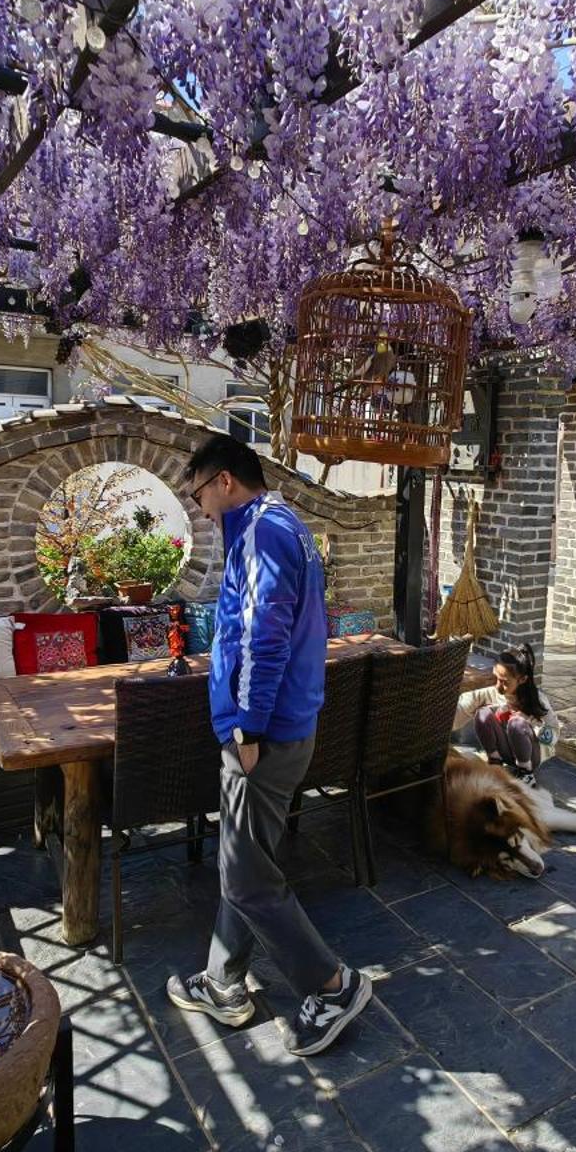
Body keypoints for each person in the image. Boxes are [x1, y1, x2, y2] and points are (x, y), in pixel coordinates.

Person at [166, 434, 369, 1058]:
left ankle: (332, 987)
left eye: (200, 495)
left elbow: (262, 636)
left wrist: (248, 728)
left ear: (225, 481)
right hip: (285, 725)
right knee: (243, 860)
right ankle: (224, 982)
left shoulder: (260, 532)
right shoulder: (285, 525)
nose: (201, 510)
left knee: (249, 877)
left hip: (265, 735)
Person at [455, 643, 561, 781]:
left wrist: (531, 723)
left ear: (522, 680)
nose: (498, 686)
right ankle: (495, 763)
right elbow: (463, 705)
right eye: (496, 678)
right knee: (482, 713)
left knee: (517, 723)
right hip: (506, 751)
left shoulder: (537, 700)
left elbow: (553, 736)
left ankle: (526, 773)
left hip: (530, 756)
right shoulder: (493, 692)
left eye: (504, 682)